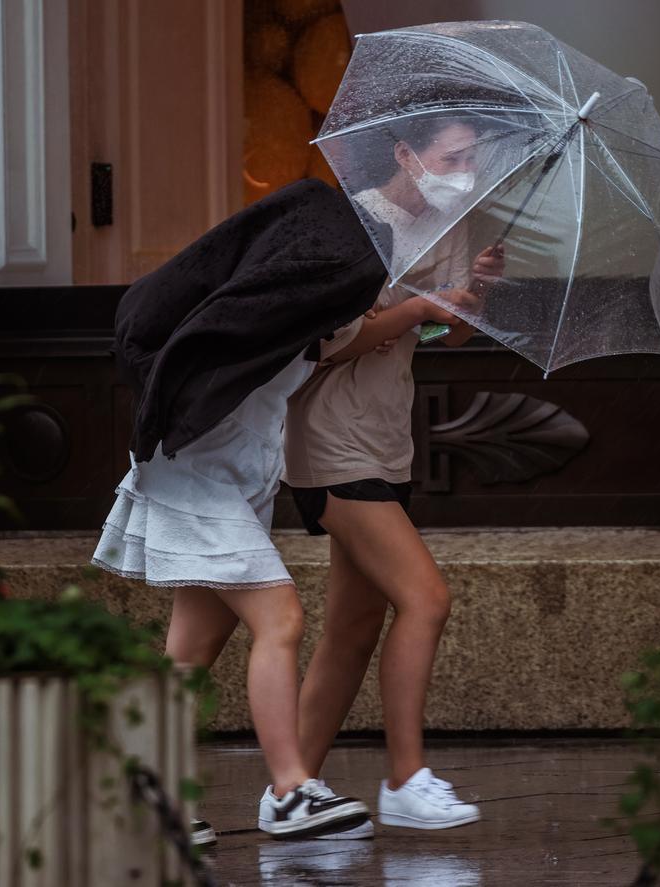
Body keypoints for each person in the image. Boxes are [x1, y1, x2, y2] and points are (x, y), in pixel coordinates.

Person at [92, 179, 390, 841]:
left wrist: (425, 304)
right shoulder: (284, 286)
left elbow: (323, 346)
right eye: (450, 156)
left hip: (236, 473)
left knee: (192, 645)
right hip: (197, 471)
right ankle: (290, 788)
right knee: (281, 616)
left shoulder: (303, 303)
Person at [284, 115, 505, 831]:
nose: (464, 169)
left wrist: (473, 291)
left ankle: (292, 790)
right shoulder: (353, 225)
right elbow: (325, 342)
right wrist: (414, 305)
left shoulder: (453, 225)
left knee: (352, 626)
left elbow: (450, 331)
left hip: (386, 440)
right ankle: (405, 777)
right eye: (452, 155)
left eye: (472, 156)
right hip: (328, 438)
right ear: (407, 154)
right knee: (426, 597)